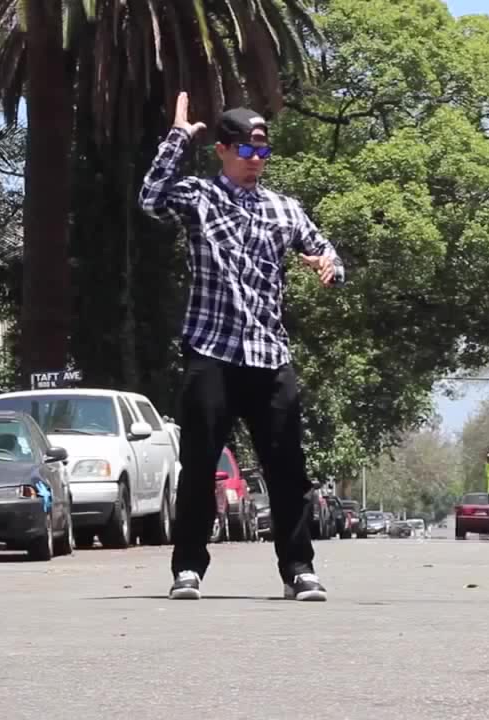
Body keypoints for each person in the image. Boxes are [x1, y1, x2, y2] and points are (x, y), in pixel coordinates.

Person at [139, 92, 345, 602]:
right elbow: (151, 199)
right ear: (224, 151)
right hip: (212, 351)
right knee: (199, 466)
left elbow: (325, 250)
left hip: (270, 355)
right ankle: (188, 568)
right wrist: (178, 137)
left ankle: (298, 570)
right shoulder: (199, 197)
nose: (256, 160)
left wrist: (328, 266)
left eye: (263, 151)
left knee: (288, 468)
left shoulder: (284, 209)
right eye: (247, 151)